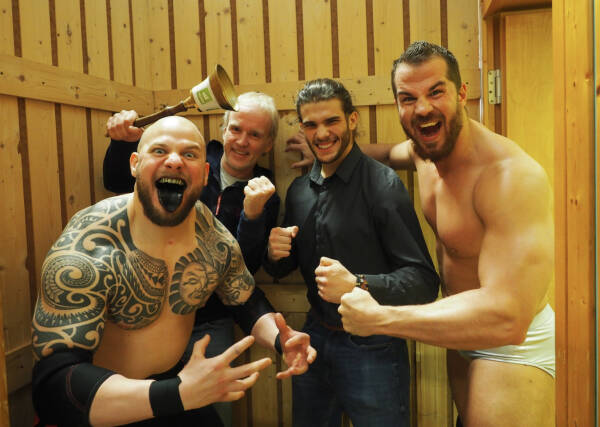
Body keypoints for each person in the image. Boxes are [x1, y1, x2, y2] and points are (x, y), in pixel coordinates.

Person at [31, 116, 316, 427]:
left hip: (170, 386)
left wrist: (281, 339)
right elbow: (55, 386)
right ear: (135, 164)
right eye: (159, 151)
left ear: (204, 174)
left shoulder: (209, 232)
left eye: (189, 154)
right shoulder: (89, 246)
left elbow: (244, 299)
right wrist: (178, 394)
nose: (175, 161)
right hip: (101, 401)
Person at [336, 41, 556, 427]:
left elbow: (509, 316)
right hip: (462, 332)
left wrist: (381, 318)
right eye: (408, 98)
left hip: (511, 344)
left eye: (436, 92)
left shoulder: (510, 178)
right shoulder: (423, 152)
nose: (422, 108)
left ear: (462, 93)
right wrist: (330, 152)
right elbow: (387, 154)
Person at [263, 78, 439, 427]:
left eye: (332, 121)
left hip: (374, 343)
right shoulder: (299, 190)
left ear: (352, 120)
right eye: (311, 124)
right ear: (302, 128)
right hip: (313, 339)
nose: (322, 133)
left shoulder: (383, 185)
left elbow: (423, 282)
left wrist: (357, 284)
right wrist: (274, 253)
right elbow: (282, 270)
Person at [103, 92, 280, 426]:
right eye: (236, 129)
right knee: (145, 411)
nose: (242, 141)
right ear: (224, 129)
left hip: (212, 324)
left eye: (255, 134)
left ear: (268, 143)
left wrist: (253, 215)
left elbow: (241, 269)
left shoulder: (266, 192)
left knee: (212, 415)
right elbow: (119, 183)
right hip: (152, 318)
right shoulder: (190, 162)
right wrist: (120, 143)